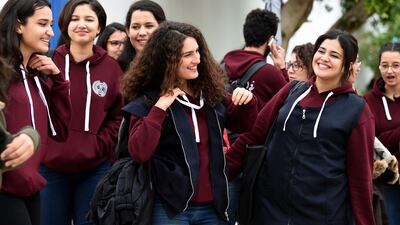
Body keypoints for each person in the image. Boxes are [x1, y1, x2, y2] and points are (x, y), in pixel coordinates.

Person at [227, 30, 376, 225]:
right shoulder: (292, 91)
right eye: (321, 51)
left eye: (334, 55)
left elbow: (360, 180)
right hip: (269, 212)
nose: (324, 58)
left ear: (347, 66)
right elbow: (254, 133)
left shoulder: (357, 110)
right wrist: (219, 174)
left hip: (322, 216)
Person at [121, 21, 257, 224]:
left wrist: (247, 101)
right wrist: (160, 108)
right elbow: (139, 152)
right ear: (167, 61)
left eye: (197, 52)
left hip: (213, 207)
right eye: (187, 55)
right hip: (169, 208)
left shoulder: (210, 93)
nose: (197, 60)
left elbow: (243, 124)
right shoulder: (149, 100)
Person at [39, 0, 123, 225]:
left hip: (94, 170)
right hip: (50, 169)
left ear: (99, 27)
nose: (81, 25)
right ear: (65, 24)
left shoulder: (112, 68)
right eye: (75, 19)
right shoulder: (47, 62)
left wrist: (98, 145)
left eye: (89, 19)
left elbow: (117, 116)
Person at [0, 1, 72, 225]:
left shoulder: (36, 76)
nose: (50, 32)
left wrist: (59, 80)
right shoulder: (2, 73)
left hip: (31, 188)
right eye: (43, 24)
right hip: (4, 188)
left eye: (51, 24)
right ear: (19, 26)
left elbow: (59, 130)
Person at [364, 42, 400, 225]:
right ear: (379, 66)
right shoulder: (368, 102)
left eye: (396, 65)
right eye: (385, 65)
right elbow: (372, 140)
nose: (390, 71)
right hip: (388, 183)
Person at [223, 8, 287, 110]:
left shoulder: (224, 64)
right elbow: (290, 104)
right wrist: (282, 68)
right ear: (271, 40)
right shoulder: (271, 73)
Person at [117, 0, 166, 71]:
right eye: (136, 27)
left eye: (149, 26)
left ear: (162, 28)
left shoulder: (174, 64)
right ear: (127, 31)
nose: (142, 33)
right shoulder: (118, 68)